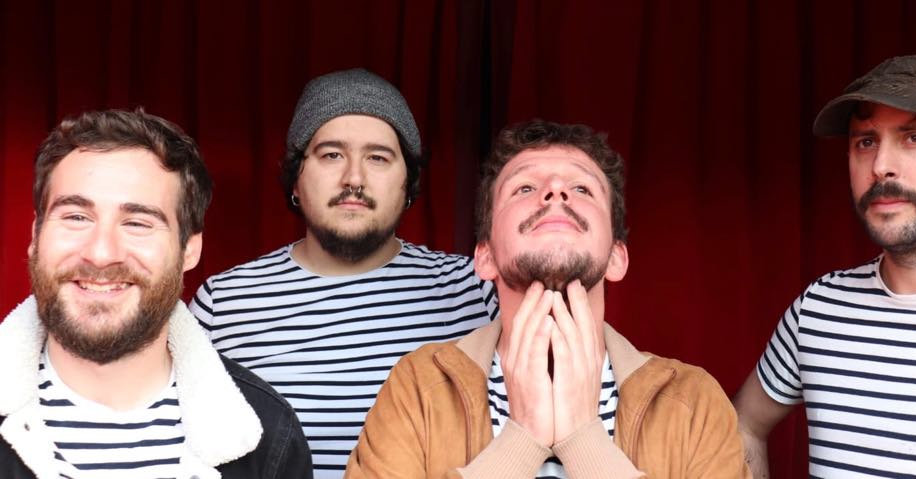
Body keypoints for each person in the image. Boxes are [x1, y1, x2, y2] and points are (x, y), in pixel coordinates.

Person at [346, 119, 749, 478]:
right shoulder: (416, 389)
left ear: (617, 257)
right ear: (484, 257)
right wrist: (522, 439)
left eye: (581, 188)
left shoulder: (695, 403)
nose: (555, 191)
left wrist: (583, 440)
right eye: (525, 187)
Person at [188, 69, 496, 476]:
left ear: (408, 183)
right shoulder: (224, 303)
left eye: (378, 157)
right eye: (331, 154)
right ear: (296, 179)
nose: (354, 178)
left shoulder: (474, 289)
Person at [733, 55, 916, 478]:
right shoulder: (819, 308)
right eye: (865, 141)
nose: (880, 165)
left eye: (915, 137)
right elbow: (744, 426)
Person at [0, 109, 312, 478]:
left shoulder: (268, 436)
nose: (101, 253)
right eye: (76, 217)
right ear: (36, 236)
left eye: (137, 223)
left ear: (189, 250)